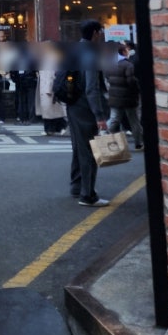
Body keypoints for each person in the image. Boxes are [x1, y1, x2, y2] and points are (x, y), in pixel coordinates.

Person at [56, 20, 110, 207]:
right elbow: (92, 88)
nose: (102, 35)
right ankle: (88, 195)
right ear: (95, 33)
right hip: (85, 107)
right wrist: (99, 115)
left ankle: (76, 186)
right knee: (89, 151)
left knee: (79, 148)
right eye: (101, 31)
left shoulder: (73, 50)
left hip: (72, 105)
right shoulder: (91, 54)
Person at [105, 42, 144, 150]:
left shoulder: (111, 64)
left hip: (114, 96)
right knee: (134, 120)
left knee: (114, 118)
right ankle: (139, 143)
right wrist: (137, 89)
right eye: (126, 50)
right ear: (123, 52)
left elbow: (107, 77)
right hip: (128, 97)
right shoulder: (128, 65)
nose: (128, 52)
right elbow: (131, 81)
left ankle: (103, 134)